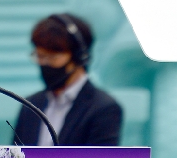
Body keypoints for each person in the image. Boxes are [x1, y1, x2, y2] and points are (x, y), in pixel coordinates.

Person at [14, 14, 122, 146]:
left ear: (79, 57)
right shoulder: (30, 105)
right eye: (40, 56)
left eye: (53, 57)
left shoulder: (104, 108)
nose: (45, 63)